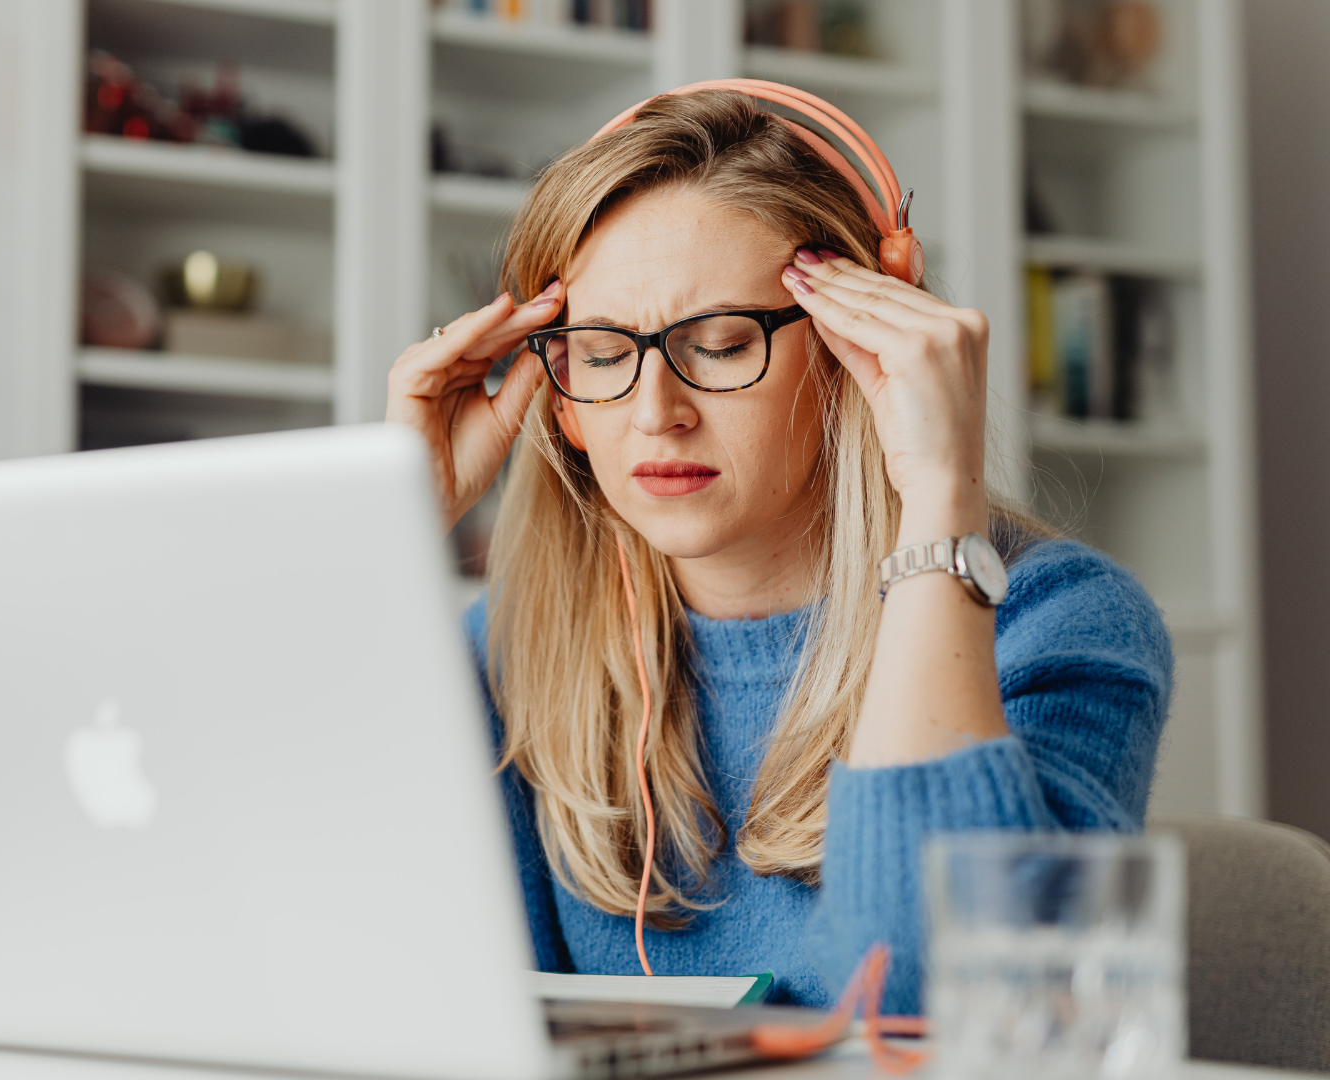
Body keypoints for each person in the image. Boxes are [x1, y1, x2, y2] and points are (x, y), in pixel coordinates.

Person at [385, 89, 1171, 1014]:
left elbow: (929, 1008)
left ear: (858, 347)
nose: (655, 413)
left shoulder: (1058, 626)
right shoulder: (512, 649)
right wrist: (388, 535)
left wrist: (937, 506)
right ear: (557, 393)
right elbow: (404, 982)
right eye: (600, 355)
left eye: (719, 345)